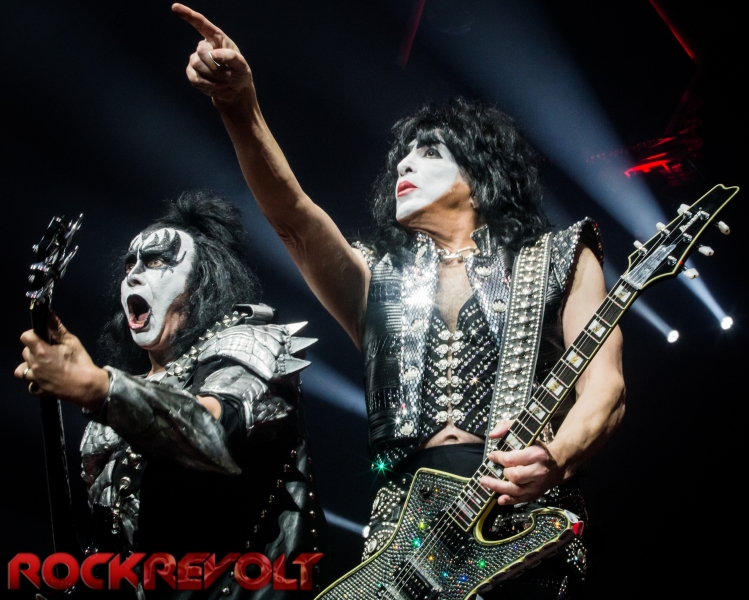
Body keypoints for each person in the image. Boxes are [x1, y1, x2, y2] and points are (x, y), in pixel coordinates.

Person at [172, 5, 626, 597]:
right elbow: (294, 220)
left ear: (481, 174)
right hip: (402, 541)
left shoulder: (561, 254)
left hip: (523, 520)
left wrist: (557, 456)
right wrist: (240, 106)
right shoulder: (378, 277)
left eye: (430, 152)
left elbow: (606, 388)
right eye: (403, 157)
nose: (406, 163)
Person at [15, 191, 329, 599]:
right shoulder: (123, 399)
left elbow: (212, 435)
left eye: (155, 261)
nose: (133, 275)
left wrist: (100, 389)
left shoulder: (249, 343)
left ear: (201, 282)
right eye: (129, 264)